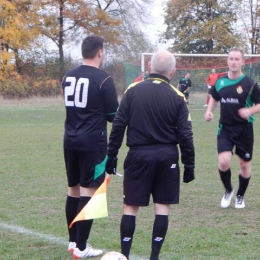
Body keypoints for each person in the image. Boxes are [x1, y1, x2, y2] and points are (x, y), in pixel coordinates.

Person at [105, 50, 195, 260]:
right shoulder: (178, 96)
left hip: (138, 156)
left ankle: (124, 256)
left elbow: (118, 125)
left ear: (150, 67)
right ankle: (154, 257)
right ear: (173, 72)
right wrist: (189, 166)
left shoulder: (133, 90)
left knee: (130, 206)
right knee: (162, 207)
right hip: (167, 157)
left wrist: (112, 156)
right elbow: (186, 136)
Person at [62, 35, 119, 258]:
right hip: (92, 143)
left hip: (70, 140)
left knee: (73, 190)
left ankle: (72, 242)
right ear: (100, 52)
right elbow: (114, 115)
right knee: (90, 193)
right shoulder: (104, 79)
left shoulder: (68, 76)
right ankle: (82, 247)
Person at [204, 47, 260, 209]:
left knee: (244, 164)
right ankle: (228, 190)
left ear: (242, 62)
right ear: (227, 61)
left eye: (237, 59)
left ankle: (240, 196)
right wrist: (209, 111)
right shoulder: (220, 82)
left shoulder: (250, 84)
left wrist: (249, 110)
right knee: (223, 161)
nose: (234, 62)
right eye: (231, 59)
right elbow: (214, 98)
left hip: (244, 129)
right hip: (225, 129)